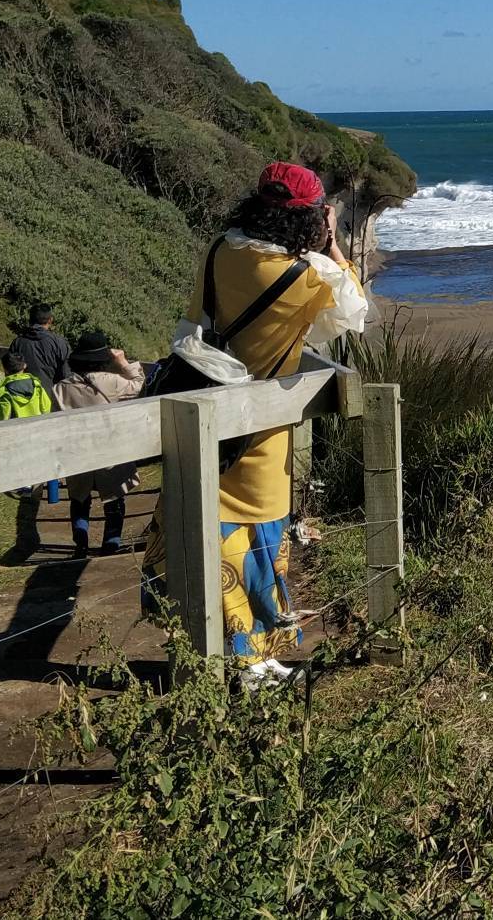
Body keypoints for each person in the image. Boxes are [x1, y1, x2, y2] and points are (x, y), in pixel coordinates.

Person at [143, 162, 370, 671]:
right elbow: (352, 313)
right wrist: (332, 243)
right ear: (312, 217)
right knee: (260, 538)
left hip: (206, 405)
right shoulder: (307, 274)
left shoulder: (222, 248)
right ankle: (253, 660)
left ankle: (213, 650)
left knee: (206, 523)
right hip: (261, 424)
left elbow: (201, 318)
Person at [56, 330, 146, 557]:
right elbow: (140, 384)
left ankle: (81, 542)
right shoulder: (113, 382)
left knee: (79, 498)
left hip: (78, 452)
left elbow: (54, 427)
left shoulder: (60, 388)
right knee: (114, 498)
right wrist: (123, 361)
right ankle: (111, 543)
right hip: (111, 450)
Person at [9, 304, 72, 400]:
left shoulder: (18, 342)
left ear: (30, 320)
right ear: (50, 320)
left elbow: (11, 372)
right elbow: (66, 375)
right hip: (51, 397)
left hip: (23, 398)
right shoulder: (59, 342)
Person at [0, 349, 54, 422]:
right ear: (25, 366)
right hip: (36, 426)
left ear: (5, 370)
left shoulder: (4, 391)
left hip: (16, 429)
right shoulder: (36, 384)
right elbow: (46, 408)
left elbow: (2, 417)